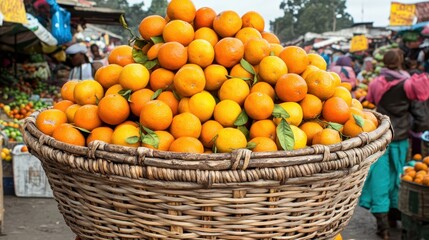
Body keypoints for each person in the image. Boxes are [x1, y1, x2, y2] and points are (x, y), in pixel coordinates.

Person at [359, 49, 429, 240]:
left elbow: (372, 102)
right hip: (400, 138)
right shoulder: (408, 83)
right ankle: (395, 218)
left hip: (382, 136)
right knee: (398, 177)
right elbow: (420, 116)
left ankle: (383, 226)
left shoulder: (375, 83)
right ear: (400, 62)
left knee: (380, 179)